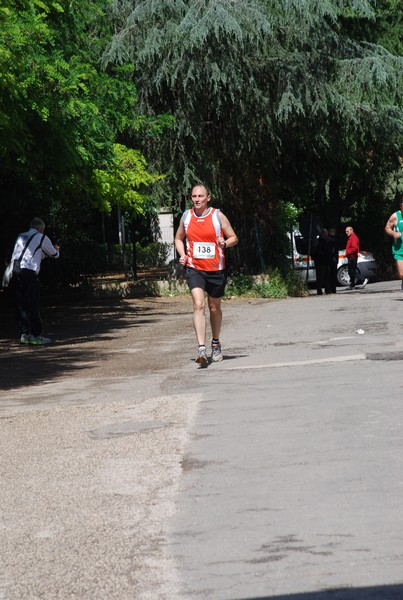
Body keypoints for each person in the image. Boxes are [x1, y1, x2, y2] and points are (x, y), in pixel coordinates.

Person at [174, 184, 238, 366]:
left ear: (208, 197)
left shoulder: (217, 216)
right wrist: (183, 255)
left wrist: (224, 243)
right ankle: (201, 348)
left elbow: (234, 237)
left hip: (216, 269)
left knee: (214, 307)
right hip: (195, 268)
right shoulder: (186, 216)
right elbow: (178, 238)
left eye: (200, 196)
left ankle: (215, 342)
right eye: (194, 196)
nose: (197, 199)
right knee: (198, 304)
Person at [10, 217, 60, 345]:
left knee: (21, 304)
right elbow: (54, 254)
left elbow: (30, 254)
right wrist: (57, 250)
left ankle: (24, 334)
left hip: (14, 271)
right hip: (29, 273)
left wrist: (43, 255)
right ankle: (36, 335)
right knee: (33, 303)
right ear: (41, 229)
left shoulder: (21, 236)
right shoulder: (41, 237)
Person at [384, 195, 403, 292]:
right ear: (400, 206)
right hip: (399, 249)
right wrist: (394, 233)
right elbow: (387, 228)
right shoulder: (395, 216)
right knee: (401, 274)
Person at [312, 228, 331, 295]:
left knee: (327, 276)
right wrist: (317, 259)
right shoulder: (317, 242)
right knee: (320, 277)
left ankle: (327, 290)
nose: (327, 234)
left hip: (326, 261)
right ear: (323, 234)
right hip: (320, 262)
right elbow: (314, 252)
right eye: (326, 233)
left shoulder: (326, 241)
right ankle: (319, 290)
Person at [345, 225, 360, 290]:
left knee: (351, 271)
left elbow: (354, 248)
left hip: (352, 257)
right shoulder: (351, 237)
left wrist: (348, 252)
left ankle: (363, 278)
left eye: (347, 231)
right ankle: (352, 285)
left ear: (351, 230)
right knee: (351, 271)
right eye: (346, 231)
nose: (346, 232)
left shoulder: (353, 237)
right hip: (351, 256)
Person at [327, 227, 339, 293]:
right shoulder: (335, 240)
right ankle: (333, 289)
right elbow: (335, 251)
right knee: (333, 275)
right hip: (334, 259)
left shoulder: (328, 239)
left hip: (329, 259)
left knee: (329, 275)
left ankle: (329, 289)